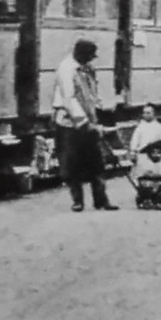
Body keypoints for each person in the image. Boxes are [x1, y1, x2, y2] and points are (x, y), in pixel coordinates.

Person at [52, 39, 118, 212]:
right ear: (79, 53)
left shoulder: (88, 68)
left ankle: (101, 200)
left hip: (89, 120)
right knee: (72, 164)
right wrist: (83, 122)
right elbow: (69, 98)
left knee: (97, 162)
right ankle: (77, 201)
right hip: (69, 123)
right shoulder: (66, 69)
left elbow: (92, 93)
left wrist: (99, 112)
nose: (90, 60)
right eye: (88, 56)